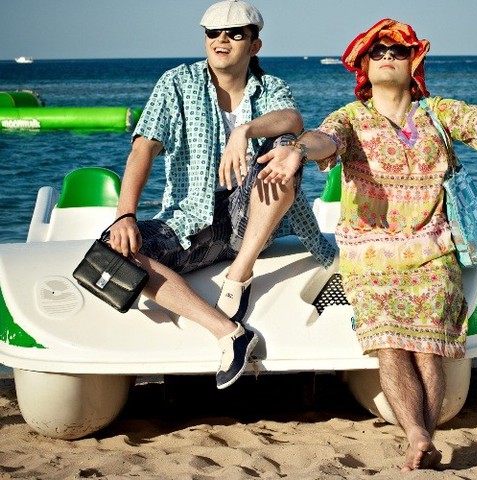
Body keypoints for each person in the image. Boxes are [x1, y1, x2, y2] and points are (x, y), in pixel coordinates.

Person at [257, 19, 477, 472]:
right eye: (377, 51)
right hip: (370, 255)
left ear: (413, 62)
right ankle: (417, 434)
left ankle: (425, 434)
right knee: (389, 344)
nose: (387, 56)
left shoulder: (437, 113)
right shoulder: (350, 117)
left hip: (434, 251)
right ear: (364, 65)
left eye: (397, 50)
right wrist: (299, 150)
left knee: (428, 347)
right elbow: (326, 139)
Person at [108, 1, 335, 390]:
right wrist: (125, 215)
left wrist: (243, 131)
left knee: (285, 145)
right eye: (213, 33)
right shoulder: (177, 83)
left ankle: (239, 274)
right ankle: (229, 333)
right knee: (114, 251)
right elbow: (143, 148)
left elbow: (293, 120)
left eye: (235, 33)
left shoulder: (270, 88)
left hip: (251, 218)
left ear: (254, 45)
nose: (222, 40)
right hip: (192, 219)